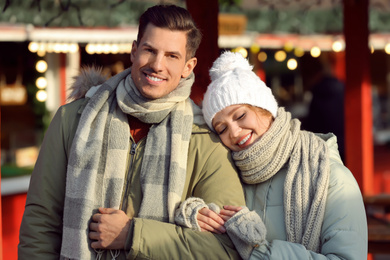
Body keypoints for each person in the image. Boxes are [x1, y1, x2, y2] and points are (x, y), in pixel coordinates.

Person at [18, 5, 245, 260]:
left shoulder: (206, 139)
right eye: (149, 50)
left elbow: (227, 248)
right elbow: (41, 221)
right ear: (134, 51)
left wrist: (133, 235)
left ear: (188, 66)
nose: (157, 65)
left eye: (172, 56)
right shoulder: (73, 119)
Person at [180, 51, 367, 259]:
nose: (233, 132)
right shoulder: (225, 174)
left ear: (265, 109)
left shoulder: (330, 176)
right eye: (221, 129)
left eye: (240, 115)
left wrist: (260, 252)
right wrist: (191, 215)